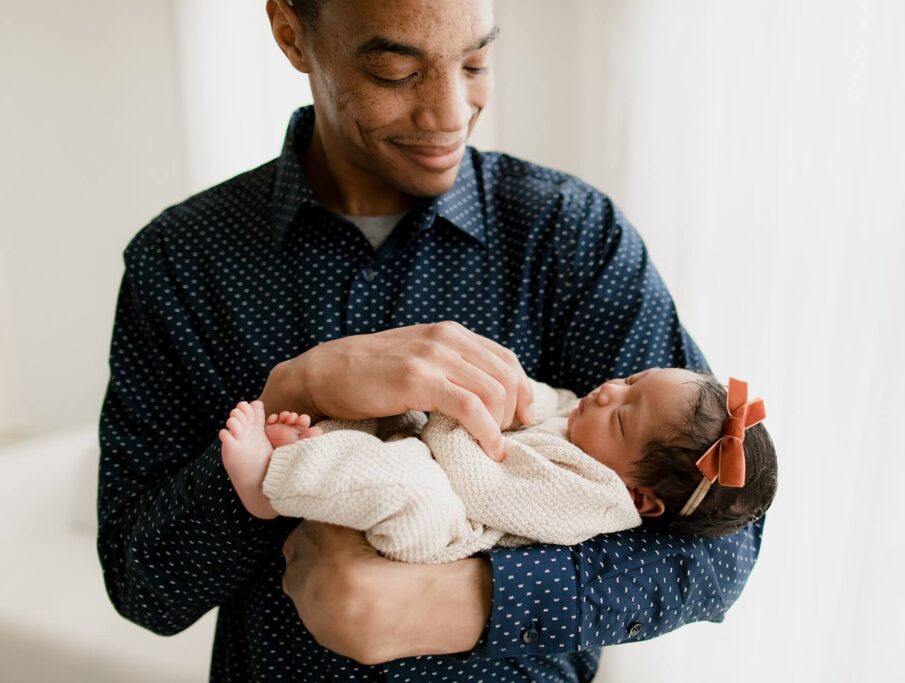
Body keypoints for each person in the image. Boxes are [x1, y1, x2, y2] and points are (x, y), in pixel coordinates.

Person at [96, 0, 767, 679]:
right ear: (291, 34)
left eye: (476, 61)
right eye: (395, 71)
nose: (450, 112)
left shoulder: (568, 236)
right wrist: (291, 390)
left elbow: (722, 539)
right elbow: (142, 587)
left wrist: (450, 601)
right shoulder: (181, 263)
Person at [218, 369, 776, 560]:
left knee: (403, 483)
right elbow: (536, 400)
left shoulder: (593, 500)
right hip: (439, 455)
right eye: (630, 382)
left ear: (638, 496)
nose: (607, 392)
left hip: (454, 518)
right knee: (383, 416)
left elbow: (486, 487)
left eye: (624, 417)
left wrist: (455, 415)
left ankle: (269, 486)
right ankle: (309, 445)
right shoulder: (583, 425)